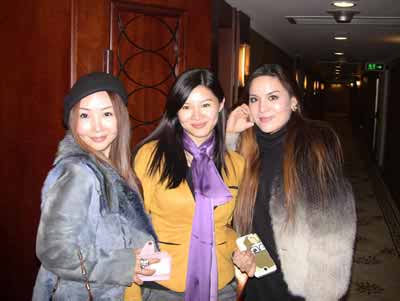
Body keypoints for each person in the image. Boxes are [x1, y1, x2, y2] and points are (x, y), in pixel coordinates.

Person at [228, 64, 356, 301]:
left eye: (273, 97)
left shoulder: (315, 147)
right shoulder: (245, 147)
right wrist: (230, 137)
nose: (262, 108)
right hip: (258, 276)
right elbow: (220, 202)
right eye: (254, 99)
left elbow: (334, 229)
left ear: (294, 102)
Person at [32, 72, 159, 301]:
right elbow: (53, 251)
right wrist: (124, 264)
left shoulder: (113, 170)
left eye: (107, 113)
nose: (97, 127)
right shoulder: (79, 173)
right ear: (73, 121)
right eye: (85, 115)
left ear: (120, 117)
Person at [131, 69, 245, 301]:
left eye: (205, 105)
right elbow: (134, 225)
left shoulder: (236, 164)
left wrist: (245, 253)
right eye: (186, 106)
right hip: (163, 286)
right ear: (176, 111)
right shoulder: (151, 156)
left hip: (221, 287)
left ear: (221, 104)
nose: (196, 115)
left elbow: (228, 227)